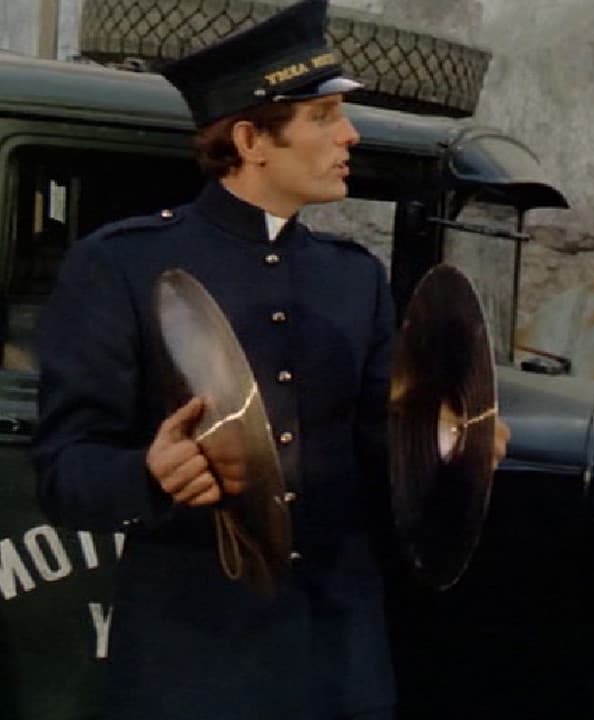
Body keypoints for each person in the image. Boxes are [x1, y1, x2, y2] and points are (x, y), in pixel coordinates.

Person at [32, 1, 507, 717]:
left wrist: (454, 443)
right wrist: (148, 474)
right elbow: (64, 470)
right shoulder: (120, 265)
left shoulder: (354, 277)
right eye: (323, 117)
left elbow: (385, 452)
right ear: (251, 139)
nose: (349, 134)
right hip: (191, 662)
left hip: (337, 660)